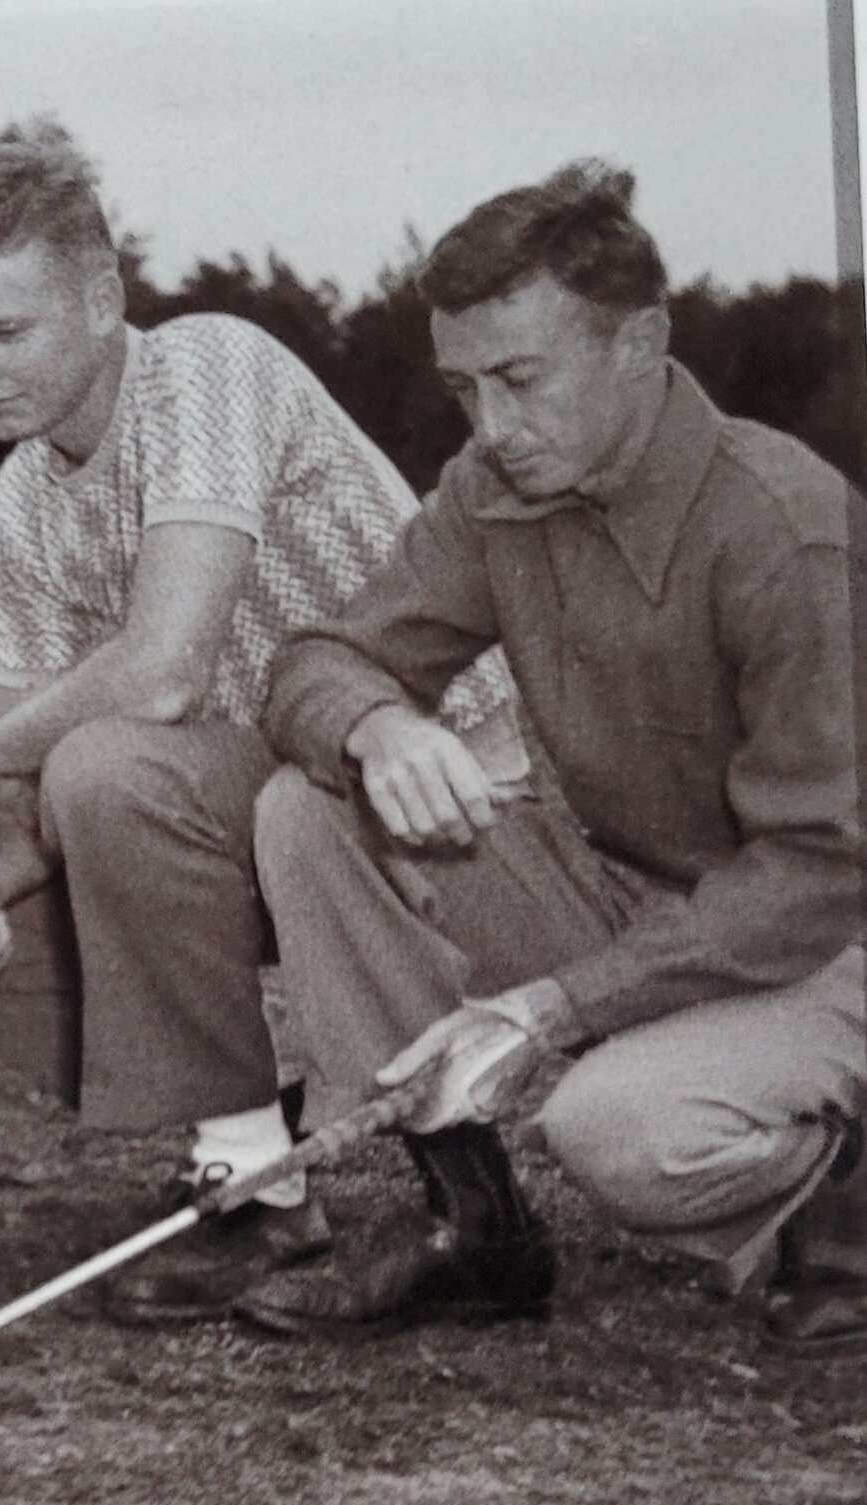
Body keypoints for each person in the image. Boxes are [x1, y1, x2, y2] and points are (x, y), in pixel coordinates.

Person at [0, 129, 520, 1324]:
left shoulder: (207, 367)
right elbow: (53, 798)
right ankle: (256, 1186)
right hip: (267, 804)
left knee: (124, 757)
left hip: (458, 785)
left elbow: (164, 672)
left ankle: (455, 1190)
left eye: (8, 331)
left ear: (103, 297)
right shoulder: (13, 513)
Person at [231, 162, 864, 1359]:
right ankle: (471, 1230)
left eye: (520, 379)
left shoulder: (782, 522)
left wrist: (556, 1007)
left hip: (826, 936)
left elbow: (819, 868)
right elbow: (315, 659)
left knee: (616, 1134)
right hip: (634, 897)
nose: (490, 427)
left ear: (640, 343)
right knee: (307, 811)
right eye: (464, 388)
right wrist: (378, 723)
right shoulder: (492, 491)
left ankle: (842, 1165)